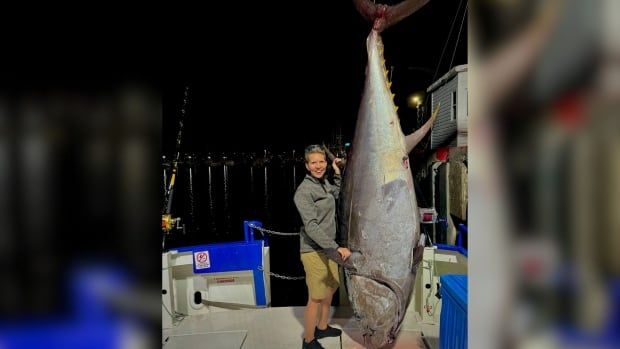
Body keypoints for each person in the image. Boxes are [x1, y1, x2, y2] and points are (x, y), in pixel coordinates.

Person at [294, 144, 352, 349]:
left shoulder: (323, 183)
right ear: (307, 165)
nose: (318, 166)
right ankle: (308, 340)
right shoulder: (304, 191)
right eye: (314, 162)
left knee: (330, 288)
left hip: (328, 248)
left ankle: (322, 326)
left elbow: (336, 193)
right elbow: (311, 227)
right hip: (313, 250)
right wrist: (336, 248)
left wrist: (337, 174)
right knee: (316, 297)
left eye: (321, 161)